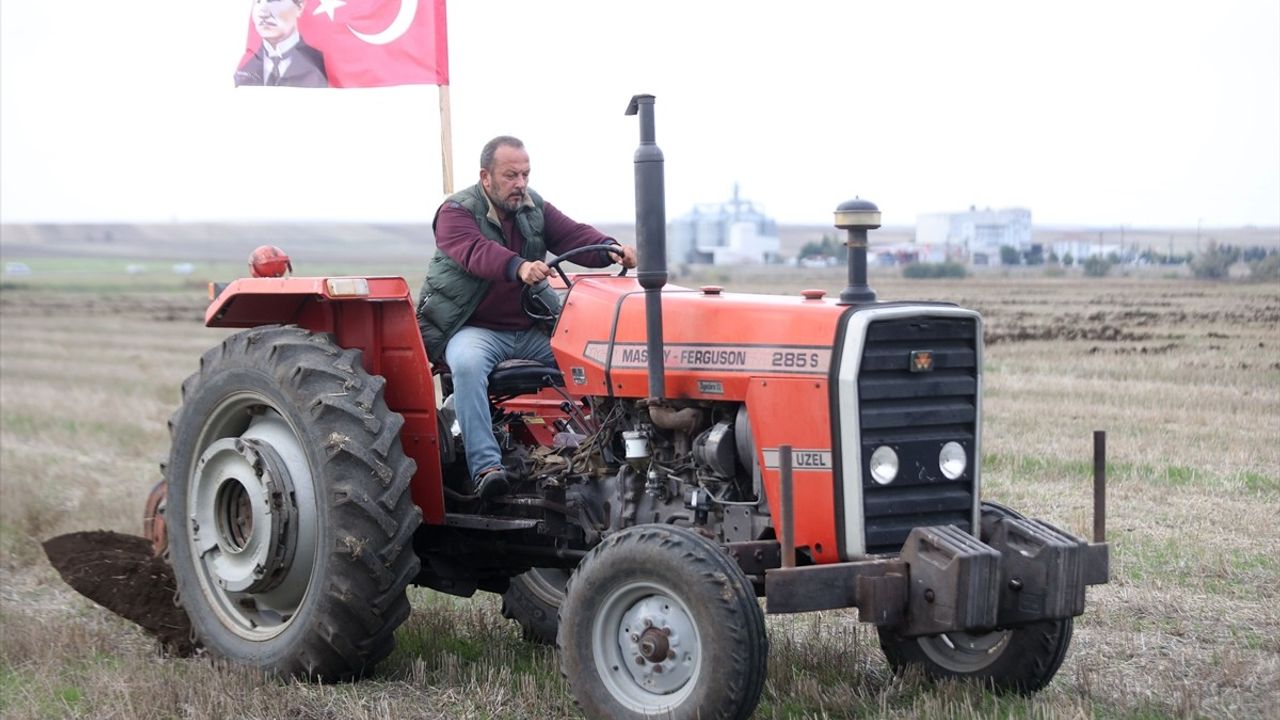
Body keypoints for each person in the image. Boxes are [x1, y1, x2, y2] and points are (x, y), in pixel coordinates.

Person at [417, 136, 637, 499]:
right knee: (468, 365)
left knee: (592, 357)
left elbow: (572, 234)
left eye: (525, 174)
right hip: (474, 329)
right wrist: (517, 267)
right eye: (510, 175)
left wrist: (611, 249)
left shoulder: (533, 208)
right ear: (486, 177)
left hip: (528, 328)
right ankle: (486, 468)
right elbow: (476, 252)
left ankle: (610, 453)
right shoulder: (455, 213)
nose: (520, 183)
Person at [234, 0, 328, 88]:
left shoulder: (323, 65)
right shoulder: (245, 71)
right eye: (258, 1)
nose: (262, 13)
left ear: (299, 6)